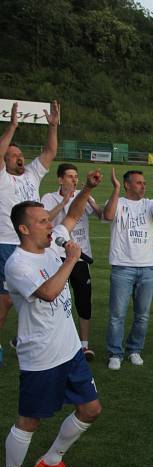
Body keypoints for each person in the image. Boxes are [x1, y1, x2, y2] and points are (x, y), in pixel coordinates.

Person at [1, 170, 103, 467]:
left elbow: (72, 214)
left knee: (90, 409)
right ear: (24, 229)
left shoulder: (50, 243)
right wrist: (71, 259)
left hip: (70, 350)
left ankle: (51, 460)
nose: (51, 225)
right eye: (43, 221)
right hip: (41, 356)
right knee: (28, 420)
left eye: (49, 220)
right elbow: (47, 292)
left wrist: (87, 188)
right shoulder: (18, 264)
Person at [0, 101, 60, 364]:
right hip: (6, 243)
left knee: (40, 297)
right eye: (13, 154)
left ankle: (31, 340)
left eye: (20, 153)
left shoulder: (32, 175)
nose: (19, 156)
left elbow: (50, 151)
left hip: (33, 245)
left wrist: (53, 127)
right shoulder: (2, 177)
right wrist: (12, 127)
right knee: (5, 303)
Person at [103, 168, 153, 370]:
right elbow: (108, 215)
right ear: (127, 185)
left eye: (144, 183)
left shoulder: (149, 203)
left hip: (147, 267)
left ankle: (134, 350)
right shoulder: (118, 202)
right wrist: (115, 189)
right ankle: (115, 353)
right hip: (122, 266)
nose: (143, 186)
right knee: (117, 314)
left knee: (142, 315)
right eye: (139, 182)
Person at [41, 163, 103, 360]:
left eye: (76, 176)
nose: (74, 180)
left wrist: (90, 201)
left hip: (79, 255)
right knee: (54, 300)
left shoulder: (84, 196)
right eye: (69, 176)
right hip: (56, 255)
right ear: (60, 179)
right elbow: (44, 221)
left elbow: (103, 216)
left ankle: (84, 346)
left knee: (83, 299)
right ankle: (47, 338)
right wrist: (63, 202)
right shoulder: (48, 198)